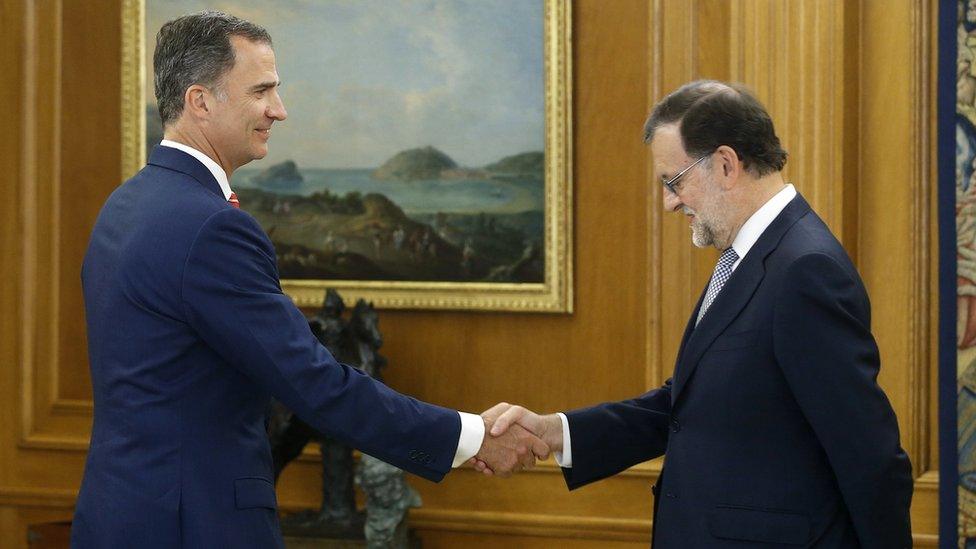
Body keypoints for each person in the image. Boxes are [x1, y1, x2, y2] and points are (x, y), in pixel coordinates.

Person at [72, 11, 547, 548]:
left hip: (120, 513)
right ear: (200, 101)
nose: (280, 110)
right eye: (262, 91)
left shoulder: (125, 205)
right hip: (195, 523)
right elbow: (314, 383)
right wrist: (473, 437)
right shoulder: (210, 226)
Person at [482, 80, 914, 548]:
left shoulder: (804, 269)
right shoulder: (751, 255)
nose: (670, 202)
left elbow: (869, 455)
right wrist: (556, 431)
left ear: (726, 164)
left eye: (675, 181)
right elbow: (687, 407)